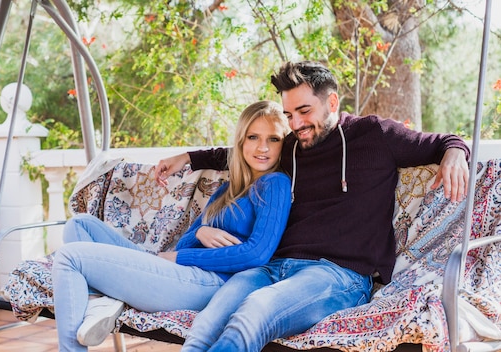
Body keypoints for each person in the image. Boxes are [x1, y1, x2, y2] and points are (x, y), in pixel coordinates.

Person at [155, 60, 470, 352]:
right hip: (272, 268)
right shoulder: (291, 146)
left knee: (252, 313)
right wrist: (188, 158)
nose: (297, 123)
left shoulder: (374, 134)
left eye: (304, 111)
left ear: (332, 102)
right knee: (208, 322)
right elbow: (244, 151)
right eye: (289, 115)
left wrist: (455, 152)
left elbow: (441, 141)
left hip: (338, 276)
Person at [52, 100, 293, 352]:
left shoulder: (275, 184)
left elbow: (256, 254)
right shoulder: (227, 189)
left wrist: (180, 257)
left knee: (70, 257)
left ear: (283, 144)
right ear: (241, 141)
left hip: (210, 284)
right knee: (79, 225)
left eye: (274, 139)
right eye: (253, 137)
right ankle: (103, 302)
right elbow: (187, 239)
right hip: (185, 273)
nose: (262, 147)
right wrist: (201, 231)